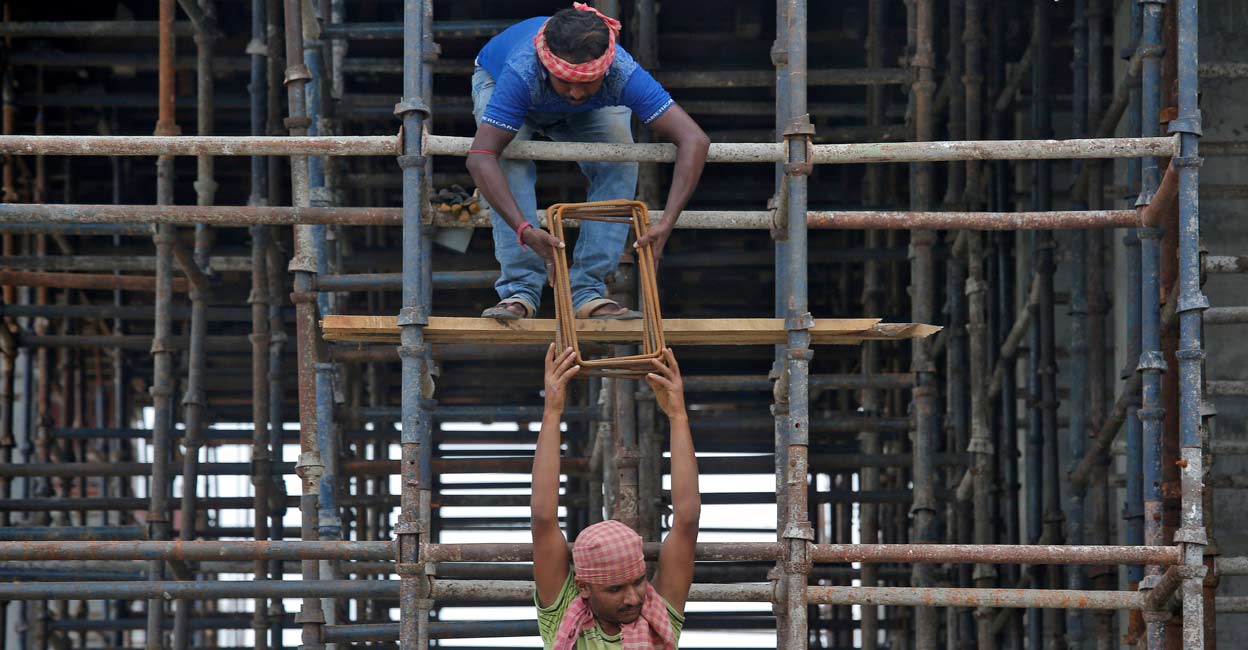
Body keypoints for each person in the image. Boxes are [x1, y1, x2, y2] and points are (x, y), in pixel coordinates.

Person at [467, 3, 710, 321]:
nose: (577, 93)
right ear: (546, 65)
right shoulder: (521, 71)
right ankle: (520, 291)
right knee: (509, 158)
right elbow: (482, 156)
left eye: (588, 83)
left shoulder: (622, 71)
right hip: (500, 83)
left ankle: (588, 292)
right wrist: (525, 229)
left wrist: (666, 223)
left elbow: (694, 139)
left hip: (583, 110)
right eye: (566, 81)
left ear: (606, 69)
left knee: (620, 157)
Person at [532, 345, 700, 649]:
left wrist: (677, 415)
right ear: (583, 587)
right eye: (615, 588)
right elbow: (544, 519)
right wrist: (552, 411)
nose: (633, 597)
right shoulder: (564, 620)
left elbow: (686, 520)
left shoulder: (656, 620)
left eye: (638, 580)